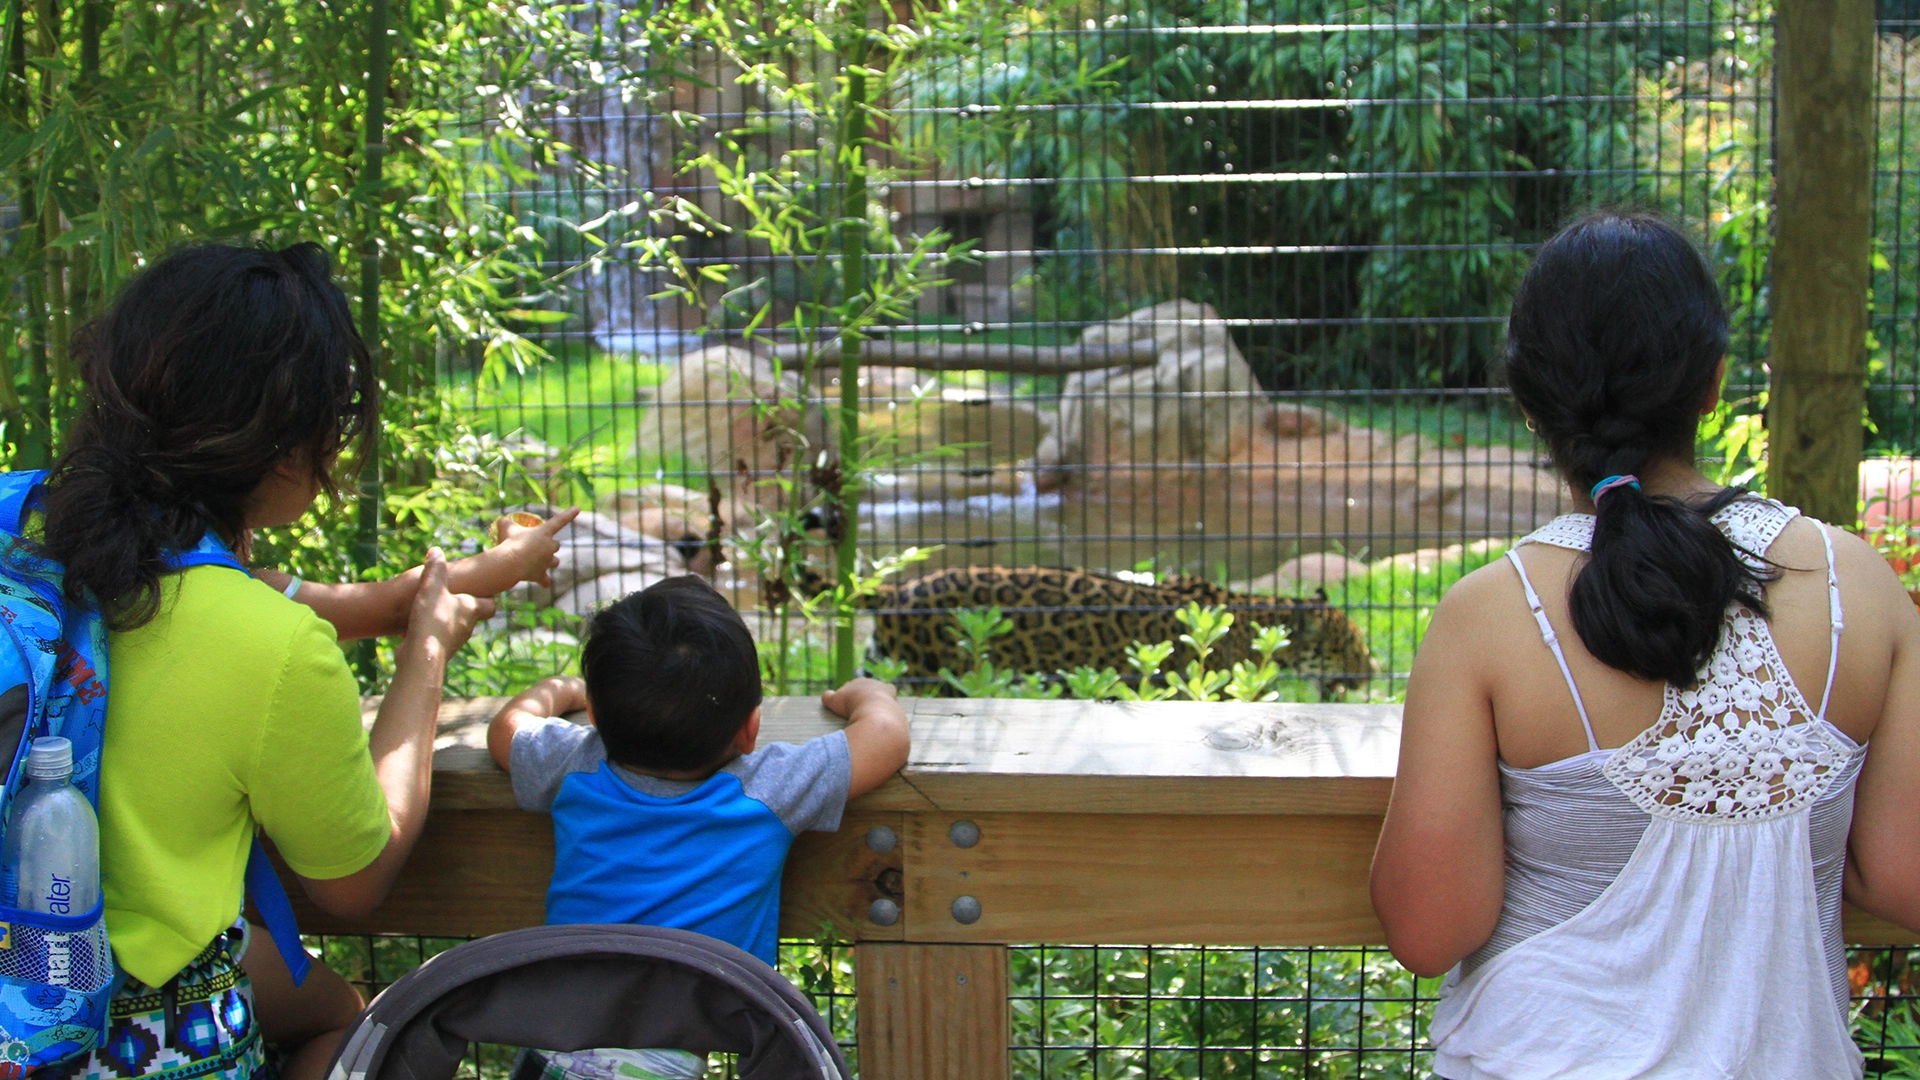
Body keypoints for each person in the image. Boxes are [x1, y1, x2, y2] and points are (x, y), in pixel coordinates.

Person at [1370, 211, 1920, 1078]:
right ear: (1713, 383)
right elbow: (1903, 875)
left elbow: (1429, 930)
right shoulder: (1859, 587)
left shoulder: (1491, 617)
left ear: (1526, 399)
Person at [29, 242, 542, 1080]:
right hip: (114, 1036)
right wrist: (427, 652)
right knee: (370, 1033)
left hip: (20, 980)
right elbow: (356, 878)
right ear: (286, 447)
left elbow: (216, 589)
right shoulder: (270, 643)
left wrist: (411, 599)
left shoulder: (28, 529)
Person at [486, 575, 911, 1080]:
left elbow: (506, 730)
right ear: (751, 729)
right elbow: (885, 737)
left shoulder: (574, 766)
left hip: (551, 1050)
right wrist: (867, 693)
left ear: (596, 715)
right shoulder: (769, 789)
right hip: (666, 1058)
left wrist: (555, 690)